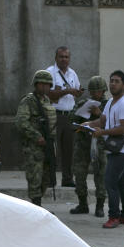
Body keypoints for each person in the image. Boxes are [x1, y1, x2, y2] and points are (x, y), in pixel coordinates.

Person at [84, 70, 124, 229]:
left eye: (117, 81)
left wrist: (102, 132)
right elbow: (102, 120)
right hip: (114, 149)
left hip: (123, 150)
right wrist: (88, 124)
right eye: (111, 80)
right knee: (121, 183)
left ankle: (114, 216)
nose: (113, 83)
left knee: (109, 181)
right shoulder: (111, 103)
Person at [15, 70, 58, 206]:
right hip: (34, 147)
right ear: (36, 84)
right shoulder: (28, 101)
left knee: (47, 176)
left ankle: (38, 206)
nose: (45, 87)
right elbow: (21, 122)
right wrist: (36, 136)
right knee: (35, 177)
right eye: (42, 84)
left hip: (48, 144)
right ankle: (36, 206)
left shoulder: (46, 100)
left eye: (48, 84)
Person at [69, 75, 109, 217]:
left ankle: (99, 206)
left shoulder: (109, 105)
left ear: (103, 91)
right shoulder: (83, 103)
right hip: (82, 144)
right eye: (92, 91)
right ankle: (82, 204)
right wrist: (83, 115)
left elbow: (112, 122)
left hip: (100, 145)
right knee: (79, 173)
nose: (94, 94)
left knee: (101, 175)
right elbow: (71, 118)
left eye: (97, 91)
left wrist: (100, 114)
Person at [46, 46, 82, 187]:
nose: (64, 59)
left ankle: (67, 179)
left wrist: (77, 92)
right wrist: (67, 91)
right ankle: (50, 179)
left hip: (69, 116)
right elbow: (49, 94)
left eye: (66, 57)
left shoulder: (72, 73)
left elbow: (77, 91)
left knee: (69, 150)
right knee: (53, 149)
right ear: (56, 58)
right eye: (61, 56)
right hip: (54, 115)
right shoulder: (50, 72)